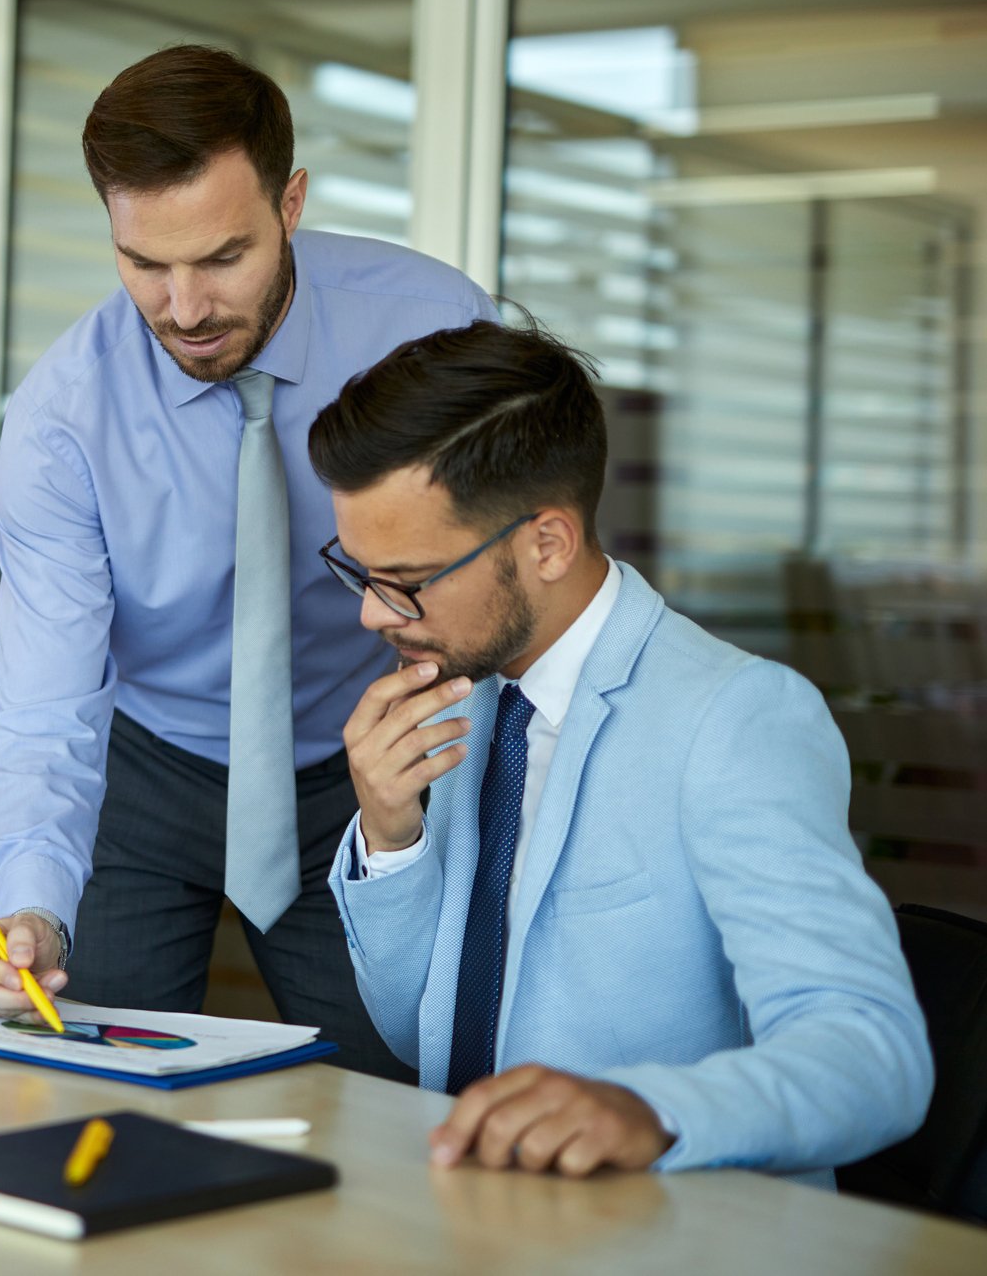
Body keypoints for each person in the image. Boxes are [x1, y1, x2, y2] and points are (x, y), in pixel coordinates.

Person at [0, 44, 495, 1081]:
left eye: (221, 258)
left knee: (397, 1089)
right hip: (146, 771)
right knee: (80, 1086)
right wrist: (29, 902)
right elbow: (45, 702)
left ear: (291, 204)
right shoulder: (63, 420)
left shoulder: (438, 329)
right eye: (144, 264)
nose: (186, 308)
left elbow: (513, 584)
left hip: (367, 757)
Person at [308, 319, 931, 1179]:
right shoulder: (463, 694)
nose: (372, 616)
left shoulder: (735, 718)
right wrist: (390, 834)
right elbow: (423, 1035)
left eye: (406, 583)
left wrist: (650, 1110)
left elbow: (876, 1058)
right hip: (469, 1213)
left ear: (547, 544)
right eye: (359, 571)